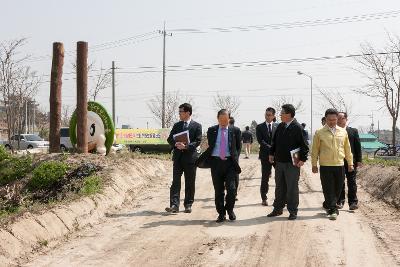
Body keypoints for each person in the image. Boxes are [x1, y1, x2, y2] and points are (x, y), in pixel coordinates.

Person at [196, 109, 242, 222]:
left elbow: (238, 148)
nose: (223, 122)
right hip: (216, 163)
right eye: (221, 120)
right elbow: (210, 146)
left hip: (230, 163)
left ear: (229, 119)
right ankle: (221, 213)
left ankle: (230, 210)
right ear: (218, 119)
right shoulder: (212, 130)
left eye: (225, 120)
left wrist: (234, 159)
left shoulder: (235, 130)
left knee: (232, 189)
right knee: (218, 190)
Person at [268, 104, 309, 220]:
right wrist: (271, 153)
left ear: (289, 114)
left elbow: (304, 146)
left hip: (292, 163)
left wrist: (302, 159)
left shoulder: (297, 128)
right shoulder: (280, 126)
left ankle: (293, 211)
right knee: (279, 187)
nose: (280, 115)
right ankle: (278, 208)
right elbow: (274, 142)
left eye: (282, 113)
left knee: (292, 187)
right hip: (279, 162)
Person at [311, 108, 354, 220]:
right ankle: (332, 209)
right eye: (329, 120)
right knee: (328, 188)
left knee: (338, 189)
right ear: (325, 119)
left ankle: (328, 204)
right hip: (326, 165)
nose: (332, 122)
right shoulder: (319, 132)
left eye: (334, 120)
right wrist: (314, 164)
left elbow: (347, 149)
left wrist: (350, 163)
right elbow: (315, 150)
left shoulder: (343, 132)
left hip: (339, 165)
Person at [165, 103, 202, 213]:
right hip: (178, 158)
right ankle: (174, 205)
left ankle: (188, 204)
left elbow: (198, 141)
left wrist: (186, 146)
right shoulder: (177, 125)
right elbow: (169, 139)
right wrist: (175, 143)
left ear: (188, 113)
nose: (179, 114)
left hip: (190, 158)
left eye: (181, 112)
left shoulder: (197, 126)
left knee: (190, 182)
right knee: (175, 182)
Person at [337, 112, 362, 210]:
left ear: (346, 119)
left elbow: (357, 146)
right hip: (338, 161)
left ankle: (353, 202)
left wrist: (359, 160)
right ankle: (340, 201)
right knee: (340, 182)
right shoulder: (334, 131)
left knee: (352, 182)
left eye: (341, 118)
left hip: (351, 161)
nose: (339, 120)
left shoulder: (353, 131)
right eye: (337, 118)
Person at [256, 107, 278, 206]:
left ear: (273, 116)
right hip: (265, 155)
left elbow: (279, 140)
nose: (267, 117)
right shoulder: (259, 127)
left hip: (277, 156)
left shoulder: (278, 126)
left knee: (279, 177)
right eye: (266, 115)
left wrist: (274, 150)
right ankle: (264, 197)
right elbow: (261, 141)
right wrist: (271, 149)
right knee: (265, 176)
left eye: (269, 115)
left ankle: (280, 197)